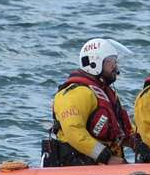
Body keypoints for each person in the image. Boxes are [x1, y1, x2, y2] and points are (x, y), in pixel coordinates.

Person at [47, 38, 136, 166]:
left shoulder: (106, 94)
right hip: (76, 162)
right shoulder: (76, 93)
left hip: (101, 162)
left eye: (115, 61)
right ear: (95, 63)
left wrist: (140, 142)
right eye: (111, 61)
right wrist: (107, 158)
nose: (115, 66)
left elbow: (123, 130)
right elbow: (74, 132)